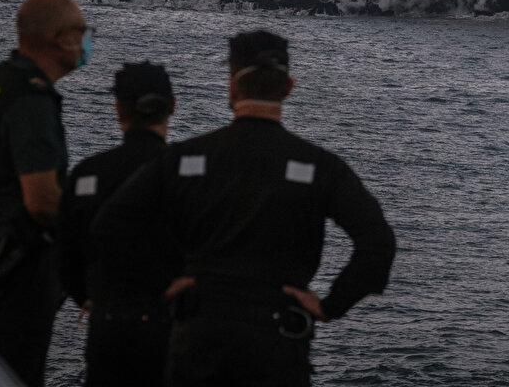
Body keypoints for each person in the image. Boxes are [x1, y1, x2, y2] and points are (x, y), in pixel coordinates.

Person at [93, 30, 396, 387]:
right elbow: (377, 242)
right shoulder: (321, 166)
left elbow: (109, 227)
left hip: (199, 333)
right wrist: (332, 304)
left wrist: (161, 283)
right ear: (288, 88)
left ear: (232, 88)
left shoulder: (184, 158)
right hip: (277, 339)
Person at [0, 0, 91, 387]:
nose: (87, 42)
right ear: (61, 38)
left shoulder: (0, 78)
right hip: (17, 266)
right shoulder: (31, 100)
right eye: (83, 32)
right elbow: (41, 201)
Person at [58, 62, 181, 387]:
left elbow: (64, 256)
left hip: (107, 325)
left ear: (118, 109)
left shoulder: (88, 173)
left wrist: (90, 297)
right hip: (171, 329)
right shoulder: (189, 178)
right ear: (172, 106)